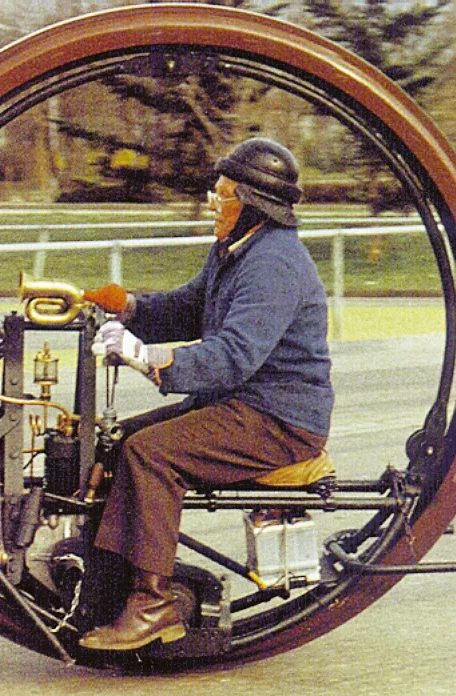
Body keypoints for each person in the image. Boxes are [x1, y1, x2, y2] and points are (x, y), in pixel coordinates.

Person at [75, 137, 334, 652]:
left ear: (251, 203)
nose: (213, 202)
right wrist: (126, 309)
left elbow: (233, 355)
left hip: (279, 420)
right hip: (245, 407)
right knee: (118, 439)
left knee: (151, 454)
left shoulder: (273, 263)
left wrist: (149, 357)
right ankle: (107, 579)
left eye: (223, 194)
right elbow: (185, 309)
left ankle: (154, 604)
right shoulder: (236, 251)